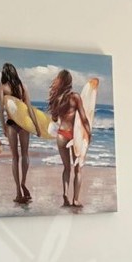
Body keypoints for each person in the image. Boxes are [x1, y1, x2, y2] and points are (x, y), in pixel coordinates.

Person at [47, 69, 92, 208]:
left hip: (61, 135)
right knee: (78, 168)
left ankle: (65, 195)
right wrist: (88, 134)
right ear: (69, 82)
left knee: (67, 168)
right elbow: (84, 118)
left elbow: (55, 118)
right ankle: (75, 200)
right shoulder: (75, 97)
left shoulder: (56, 99)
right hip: (74, 136)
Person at [0, 62, 32, 205]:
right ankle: (23, 183)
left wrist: (3, 127)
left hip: (11, 123)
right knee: (25, 154)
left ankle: (18, 190)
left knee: (15, 157)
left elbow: (1, 109)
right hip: (24, 122)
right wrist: (35, 126)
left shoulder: (2, 87)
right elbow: (29, 108)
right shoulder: (22, 86)